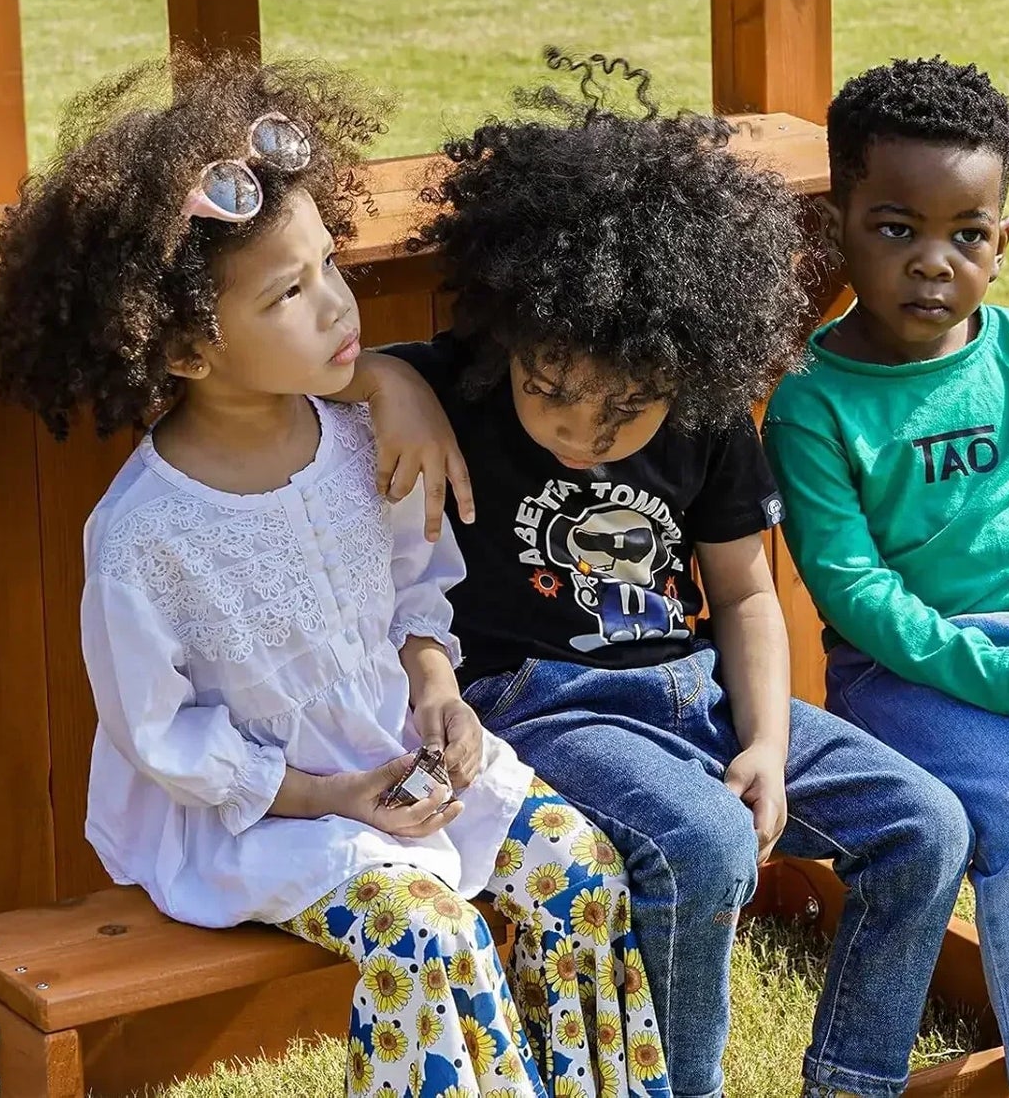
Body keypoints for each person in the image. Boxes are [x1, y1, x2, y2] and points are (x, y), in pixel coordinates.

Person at [0, 54, 672, 1098]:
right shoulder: (142, 535)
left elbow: (415, 588)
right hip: (258, 819)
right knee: (428, 931)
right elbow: (163, 740)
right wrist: (332, 795)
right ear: (186, 348)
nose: (337, 305)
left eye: (329, 265)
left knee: (580, 871)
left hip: (394, 762)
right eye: (289, 293)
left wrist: (435, 690)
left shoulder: (358, 437)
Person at [345, 55, 972, 1098]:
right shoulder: (458, 384)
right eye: (550, 389)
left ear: (689, 366)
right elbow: (322, 372)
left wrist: (765, 743)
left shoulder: (706, 414)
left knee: (926, 824)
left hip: (696, 691)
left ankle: (850, 1084)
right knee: (706, 842)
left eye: (625, 410)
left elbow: (745, 594)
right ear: (507, 331)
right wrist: (387, 379)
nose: (583, 432)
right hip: (542, 703)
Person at [764, 56, 1009, 1098]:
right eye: (896, 228)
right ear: (837, 230)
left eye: (965, 235)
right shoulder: (813, 401)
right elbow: (854, 592)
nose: (932, 263)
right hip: (905, 675)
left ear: (1002, 243)